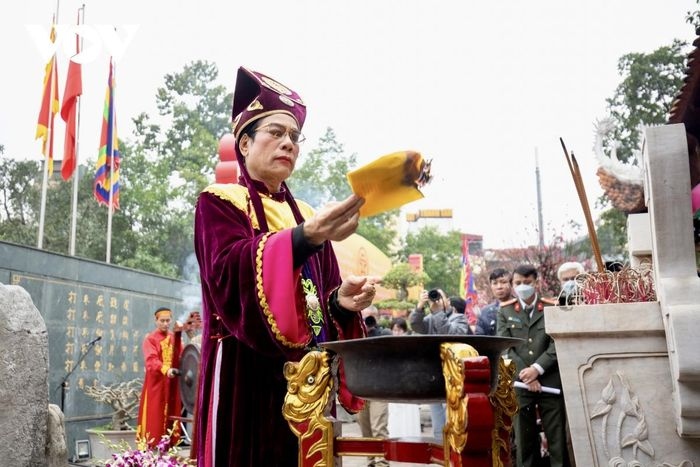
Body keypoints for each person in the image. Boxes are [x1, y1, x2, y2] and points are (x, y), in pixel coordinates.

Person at [193, 66, 378, 467]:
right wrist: (302, 239)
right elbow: (229, 276)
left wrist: (341, 304)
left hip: (304, 375)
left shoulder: (307, 215)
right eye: (275, 132)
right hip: (244, 372)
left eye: (294, 136)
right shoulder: (220, 201)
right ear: (244, 143)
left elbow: (316, 301)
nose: (288, 143)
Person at [497, 264, 570, 467]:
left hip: (550, 381)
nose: (522, 286)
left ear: (536, 283)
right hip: (521, 385)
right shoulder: (505, 311)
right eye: (518, 283)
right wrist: (526, 375)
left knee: (557, 441)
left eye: (527, 282)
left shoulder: (551, 306)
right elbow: (504, 347)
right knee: (524, 441)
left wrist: (537, 369)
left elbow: (557, 342)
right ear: (512, 285)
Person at [409, 288, 470, 442]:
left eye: (439, 297)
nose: (436, 301)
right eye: (433, 297)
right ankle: (441, 453)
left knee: (453, 416)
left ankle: (455, 453)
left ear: (447, 301)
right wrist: (419, 307)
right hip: (433, 372)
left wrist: (437, 313)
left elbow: (451, 334)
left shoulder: (459, 318)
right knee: (437, 419)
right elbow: (416, 326)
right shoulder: (429, 318)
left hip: (453, 375)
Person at [136, 307, 183, 448]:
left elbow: (182, 355)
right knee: (154, 414)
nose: (165, 323)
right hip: (156, 384)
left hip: (172, 383)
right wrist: (166, 369)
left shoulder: (174, 338)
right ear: (155, 321)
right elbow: (151, 360)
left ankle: (170, 446)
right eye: (162, 321)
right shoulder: (150, 339)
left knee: (172, 414)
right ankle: (152, 447)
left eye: (168, 320)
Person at [356, 314, 392, 467]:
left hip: (379, 389)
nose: (367, 321)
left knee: (379, 426)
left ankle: (382, 463)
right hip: (361, 388)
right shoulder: (355, 334)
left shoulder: (384, 335)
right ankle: (370, 461)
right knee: (365, 428)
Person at [387, 317, 422, 440]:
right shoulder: (387, 346)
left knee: (409, 415)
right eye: (394, 330)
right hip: (393, 386)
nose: (397, 333)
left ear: (405, 330)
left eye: (399, 330)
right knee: (395, 415)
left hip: (409, 386)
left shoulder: (411, 345)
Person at [475, 268, 513, 336]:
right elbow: (479, 338)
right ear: (491, 286)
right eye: (495, 283)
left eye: (503, 282)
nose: (499, 287)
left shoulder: (521, 307)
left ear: (511, 284)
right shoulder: (485, 313)